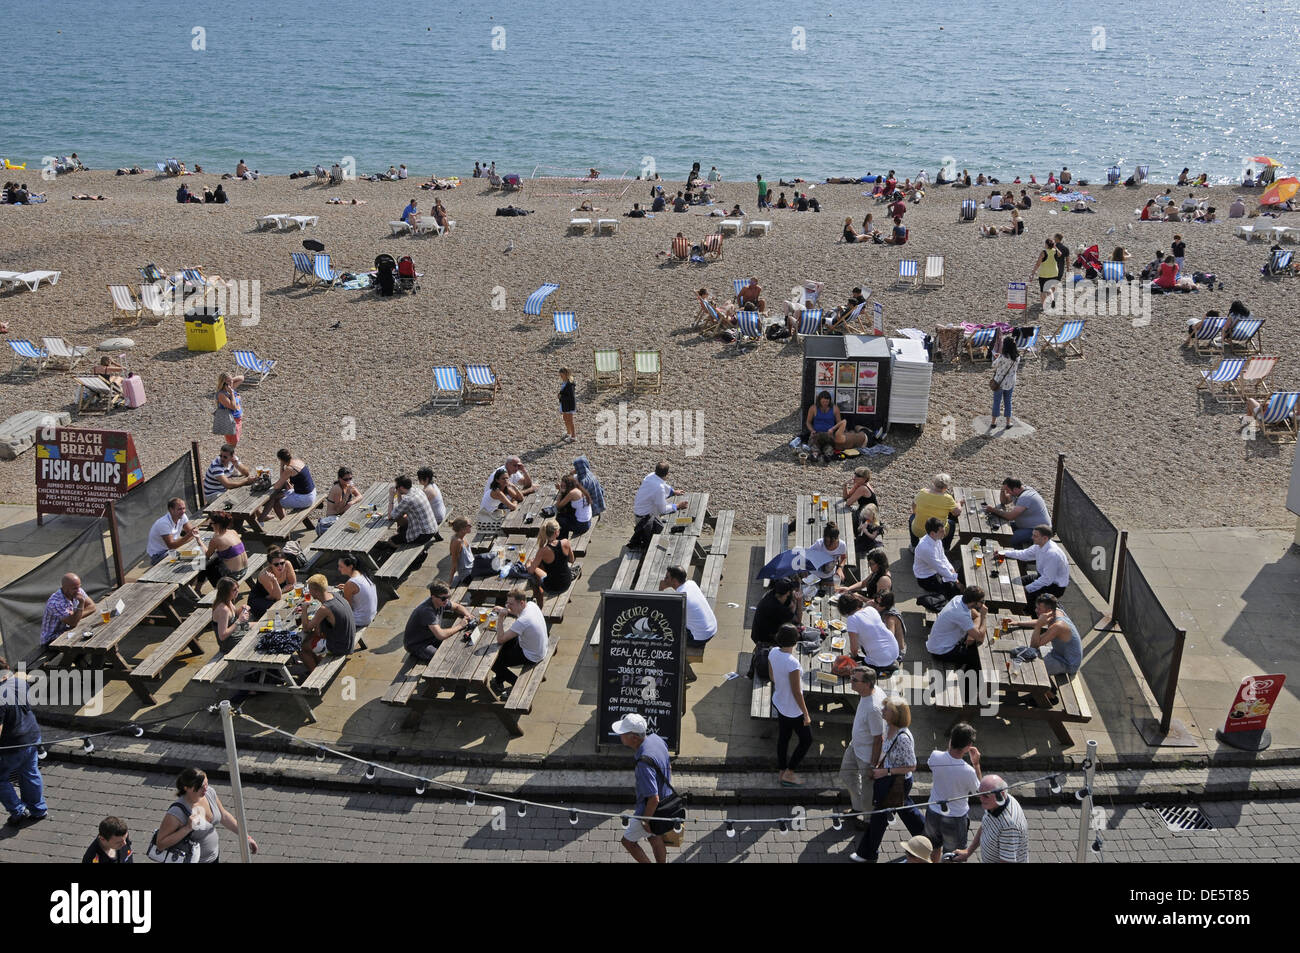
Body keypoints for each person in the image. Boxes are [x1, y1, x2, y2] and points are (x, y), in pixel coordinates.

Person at [850, 696, 927, 862]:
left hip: (895, 782)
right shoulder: (888, 726)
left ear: (897, 715)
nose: (882, 711)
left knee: (879, 816)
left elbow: (912, 765)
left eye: (887, 709)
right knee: (905, 809)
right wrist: (878, 765)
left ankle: (867, 854)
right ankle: (928, 838)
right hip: (889, 780)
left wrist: (886, 772)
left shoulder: (903, 738)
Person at [153, 768, 257, 862]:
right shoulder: (176, 812)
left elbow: (224, 816)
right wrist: (187, 828)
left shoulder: (209, 793)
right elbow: (161, 844)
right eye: (201, 787)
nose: (205, 789)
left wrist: (246, 837)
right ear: (186, 788)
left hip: (213, 857)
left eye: (206, 784)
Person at [612, 712, 672, 863]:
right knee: (654, 837)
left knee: (628, 842)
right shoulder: (657, 740)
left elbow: (653, 798)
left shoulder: (643, 763)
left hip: (649, 810)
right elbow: (668, 766)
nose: (620, 736)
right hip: (667, 802)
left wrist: (645, 820)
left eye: (623, 733)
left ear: (633, 737)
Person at [924, 722, 982, 863]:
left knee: (933, 848)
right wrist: (976, 764)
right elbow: (981, 791)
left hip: (933, 812)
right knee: (953, 856)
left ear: (951, 739)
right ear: (968, 747)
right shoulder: (968, 771)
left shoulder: (935, 756)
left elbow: (938, 761)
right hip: (955, 818)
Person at [0, 657, 47, 826]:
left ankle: (18, 811)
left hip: (12, 744)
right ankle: (38, 809)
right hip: (32, 735)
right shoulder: (19, 682)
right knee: (30, 771)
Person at [839, 665, 884, 824]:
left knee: (867, 791)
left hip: (866, 756)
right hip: (855, 746)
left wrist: (874, 764)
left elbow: (879, 738)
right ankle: (857, 808)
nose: (850, 681)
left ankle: (867, 820)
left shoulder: (873, 709)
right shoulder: (869, 691)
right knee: (846, 775)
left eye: (854, 679)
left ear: (867, 684)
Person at [769, 625, 812, 786]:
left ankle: (782, 770)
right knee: (807, 740)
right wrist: (806, 714)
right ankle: (789, 772)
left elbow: (772, 677)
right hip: (793, 709)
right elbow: (797, 692)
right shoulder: (793, 664)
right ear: (795, 641)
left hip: (779, 701)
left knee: (784, 737)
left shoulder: (773, 652)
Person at [952, 775, 1029, 862]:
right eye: (979, 793)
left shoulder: (1009, 826)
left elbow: (1007, 861)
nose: (981, 799)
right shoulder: (996, 803)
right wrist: (968, 851)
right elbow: (985, 825)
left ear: (1001, 795)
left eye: (985, 796)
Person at [489, 587, 548, 697]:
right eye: (507, 603)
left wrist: (501, 617)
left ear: (521, 602)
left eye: (511, 604)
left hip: (532, 655)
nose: (508, 606)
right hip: (539, 647)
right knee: (502, 649)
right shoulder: (531, 605)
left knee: (494, 663)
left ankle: (516, 684)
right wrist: (506, 609)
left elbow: (500, 639)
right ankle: (498, 680)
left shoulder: (523, 621)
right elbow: (517, 614)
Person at [1011, 592, 1082, 679]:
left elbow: (1034, 645)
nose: (1036, 610)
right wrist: (1017, 623)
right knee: (1019, 653)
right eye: (1036, 607)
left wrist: (1038, 626)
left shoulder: (1058, 626)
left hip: (1067, 663)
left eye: (1039, 608)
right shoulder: (1056, 611)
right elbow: (1040, 621)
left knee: (1027, 668)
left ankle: (1048, 691)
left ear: (1048, 611)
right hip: (1056, 652)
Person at [997, 524, 1070, 606]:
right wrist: (1004, 553)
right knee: (1015, 582)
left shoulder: (1052, 554)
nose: (1032, 537)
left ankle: (1030, 612)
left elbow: (1047, 580)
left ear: (1045, 538)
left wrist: (1027, 588)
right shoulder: (1039, 545)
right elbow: (1024, 554)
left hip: (1054, 587)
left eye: (1035, 536)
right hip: (1042, 577)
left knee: (1024, 597)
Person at [403, 581, 472, 662]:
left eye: (448, 597)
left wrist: (468, 615)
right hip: (418, 644)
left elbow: (457, 606)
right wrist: (460, 625)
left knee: (459, 641)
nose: (446, 601)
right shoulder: (427, 611)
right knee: (442, 658)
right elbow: (441, 635)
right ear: (433, 597)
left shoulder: (441, 601)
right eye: (443, 598)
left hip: (431, 636)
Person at [299, 574, 355, 673]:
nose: (309, 592)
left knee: (302, 647)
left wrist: (304, 609)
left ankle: (313, 675)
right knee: (311, 637)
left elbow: (306, 628)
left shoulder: (325, 608)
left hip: (341, 647)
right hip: (348, 640)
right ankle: (317, 663)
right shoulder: (335, 595)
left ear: (316, 591)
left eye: (310, 589)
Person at [926, 587, 987, 669]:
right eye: (982, 601)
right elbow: (980, 638)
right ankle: (967, 680)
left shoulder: (959, 599)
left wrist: (972, 634)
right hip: (941, 650)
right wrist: (984, 616)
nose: (983, 604)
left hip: (938, 643)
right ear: (974, 603)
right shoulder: (961, 614)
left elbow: (976, 616)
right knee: (977, 658)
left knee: (973, 645)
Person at [838, 593, 900, 671]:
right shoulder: (871, 609)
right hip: (894, 651)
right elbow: (863, 618)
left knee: (847, 668)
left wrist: (854, 657)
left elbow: (854, 648)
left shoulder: (851, 619)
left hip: (880, 659)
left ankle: (879, 667)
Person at [631, 461, 687, 548]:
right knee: (662, 540)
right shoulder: (659, 488)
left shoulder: (650, 476)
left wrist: (673, 492)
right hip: (645, 521)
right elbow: (663, 510)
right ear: (667, 474)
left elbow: (663, 485)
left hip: (638, 514)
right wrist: (677, 506)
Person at [984, 477, 1051, 546]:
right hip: (1025, 525)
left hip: (1039, 531)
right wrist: (1002, 490)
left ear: (1015, 489)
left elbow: (1010, 517)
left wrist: (993, 510)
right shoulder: (1018, 491)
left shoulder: (1026, 497)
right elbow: (1004, 501)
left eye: (1007, 490)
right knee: (997, 526)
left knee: (1007, 539)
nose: (1007, 492)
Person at [661, 565, 717, 646]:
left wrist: (661, 590)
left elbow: (664, 614)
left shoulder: (681, 598)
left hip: (701, 637)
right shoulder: (691, 583)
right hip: (711, 627)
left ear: (674, 580)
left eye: (667, 577)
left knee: (665, 634)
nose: (664, 580)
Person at [257, 449, 315, 523]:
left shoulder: (289, 469)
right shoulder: (298, 461)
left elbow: (277, 486)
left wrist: (281, 466)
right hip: (311, 492)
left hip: (306, 498)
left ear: (281, 459)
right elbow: (283, 479)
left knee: (276, 502)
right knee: (276, 496)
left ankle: (284, 524)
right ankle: (261, 519)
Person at [40, 573, 97, 647]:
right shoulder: (56, 602)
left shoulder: (78, 590)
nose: (78, 590)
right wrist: (81, 603)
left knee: (93, 635)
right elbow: (73, 623)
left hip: (68, 631)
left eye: (79, 587)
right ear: (65, 588)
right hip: (51, 639)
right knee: (84, 642)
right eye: (74, 588)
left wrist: (76, 616)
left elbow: (92, 606)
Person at [529, 518, 576, 603]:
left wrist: (529, 563)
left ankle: (538, 596)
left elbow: (531, 570)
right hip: (566, 581)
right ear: (556, 533)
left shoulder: (543, 550)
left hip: (552, 587)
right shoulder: (565, 542)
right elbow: (572, 560)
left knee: (533, 567)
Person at [913, 517, 961, 598]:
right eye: (941, 531)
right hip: (926, 578)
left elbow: (942, 557)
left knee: (955, 573)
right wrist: (956, 580)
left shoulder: (936, 538)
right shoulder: (926, 548)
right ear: (932, 533)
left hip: (935, 570)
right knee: (952, 591)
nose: (944, 533)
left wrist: (951, 569)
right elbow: (939, 567)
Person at [202, 511, 248, 589]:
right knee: (217, 558)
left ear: (217, 525)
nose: (211, 526)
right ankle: (198, 589)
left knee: (207, 565)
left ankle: (220, 590)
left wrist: (199, 541)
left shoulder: (216, 539)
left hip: (234, 575)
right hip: (244, 570)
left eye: (212, 524)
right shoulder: (233, 532)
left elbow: (207, 555)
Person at [388, 473, 437, 546]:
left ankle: (405, 554)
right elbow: (402, 507)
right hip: (432, 528)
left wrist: (391, 497)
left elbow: (391, 516)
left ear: (401, 488)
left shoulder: (408, 500)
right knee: (401, 529)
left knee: (391, 540)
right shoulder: (417, 490)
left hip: (423, 534)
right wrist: (398, 494)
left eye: (397, 487)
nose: (396, 488)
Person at [146, 496, 198, 565]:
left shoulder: (182, 516)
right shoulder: (163, 523)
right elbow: (172, 545)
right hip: (159, 555)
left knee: (198, 555)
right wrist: (188, 536)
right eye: (179, 509)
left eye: (184, 508)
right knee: (194, 558)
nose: (183, 511)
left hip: (171, 551)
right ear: (171, 510)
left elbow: (192, 534)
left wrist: (187, 537)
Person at [751, 576, 799, 650]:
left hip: (757, 633)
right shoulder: (776, 607)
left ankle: (758, 650)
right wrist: (797, 601)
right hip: (764, 639)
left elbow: (787, 604)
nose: (788, 596)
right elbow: (797, 620)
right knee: (790, 636)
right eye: (787, 595)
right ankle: (761, 651)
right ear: (784, 595)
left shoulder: (772, 594)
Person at [248, 546, 294, 619]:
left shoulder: (287, 564)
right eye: (276, 564)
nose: (280, 566)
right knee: (282, 614)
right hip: (259, 600)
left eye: (282, 563)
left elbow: (292, 584)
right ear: (270, 564)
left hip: (273, 597)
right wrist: (275, 581)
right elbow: (277, 597)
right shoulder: (265, 575)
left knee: (294, 607)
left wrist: (281, 591)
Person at [317, 466, 362, 537]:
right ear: (339, 479)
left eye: (350, 478)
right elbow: (338, 509)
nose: (348, 481)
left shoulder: (348, 484)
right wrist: (347, 494)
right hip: (334, 516)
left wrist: (352, 502)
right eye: (346, 479)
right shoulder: (337, 489)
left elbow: (359, 496)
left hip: (341, 513)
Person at [988, 335, 1020, 433]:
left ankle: (993, 422)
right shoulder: (1017, 357)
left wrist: (996, 358)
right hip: (1010, 382)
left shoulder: (1002, 357)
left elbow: (993, 365)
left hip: (999, 382)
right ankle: (1008, 423)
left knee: (996, 402)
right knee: (1008, 402)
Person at [803, 523, 848, 592]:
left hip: (829, 575)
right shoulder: (819, 544)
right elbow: (806, 555)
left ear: (837, 539)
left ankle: (822, 583)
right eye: (826, 541)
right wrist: (805, 570)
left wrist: (840, 568)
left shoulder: (842, 545)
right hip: (814, 575)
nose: (828, 545)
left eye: (831, 542)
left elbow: (844, 557)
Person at [805, 390, 846, 462]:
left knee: (829, 447)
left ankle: (828, 455)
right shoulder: (813, 408)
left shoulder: (835, 408)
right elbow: (808, 422)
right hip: (817, 434)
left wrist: (833, 430)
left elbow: (839, 423)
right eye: (823, 402)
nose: (825, 404)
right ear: (819, 401)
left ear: (830, 401)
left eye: (827, 402)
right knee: (814, 445)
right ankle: (815, 455)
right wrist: (812, 430)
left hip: (828, 434)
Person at [338, 555, 378, 629]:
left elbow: (347, 608)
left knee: (329, 614)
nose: (339, 569)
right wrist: (347, 589)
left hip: (360, 620)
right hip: (371, 614)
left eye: (341, 566)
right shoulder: (363, 574)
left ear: (350, 567)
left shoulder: (350, 583)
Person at [210, 577, 249, 652]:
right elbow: (222, 636)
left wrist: (242, 609)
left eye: (237, 588)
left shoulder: (228, 600)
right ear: (226, 592)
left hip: (236, 633)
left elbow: (233, 615)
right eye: (234, 590)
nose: (237, 591)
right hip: (229, 643)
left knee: (260, 625)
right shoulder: (223, 610)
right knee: (256, 636)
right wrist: (239, 620)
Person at [554, 472, 593, 539]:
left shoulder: (572, 493)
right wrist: (562, 489)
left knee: (559, 520)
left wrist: (560, 492)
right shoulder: (578, 488)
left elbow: (558, 506)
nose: (563, 487)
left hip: (581, 526)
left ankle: (561, 541)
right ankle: (563, 539)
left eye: (564, 486)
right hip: (587, 522)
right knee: (564, 516)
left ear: (569, 485)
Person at [213, 372, 244, 446]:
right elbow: (233, 406)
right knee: (232, 443)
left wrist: (230, 380)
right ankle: (228, 456)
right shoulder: (222, 394)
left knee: (235, 441)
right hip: (230, 421)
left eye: (231, 381)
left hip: (237, 418)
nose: (231, 383)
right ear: (223, 383)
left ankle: (229, 455)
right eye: (228, 381)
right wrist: (232, 393)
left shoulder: (230, 388)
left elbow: (241, 378)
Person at [1032, 237, 1063, 307]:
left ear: (1046, 244)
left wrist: (1033, 272)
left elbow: (1038, 264)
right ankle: (1052, 300)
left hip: (1044, 274)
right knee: (1051, 288)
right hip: (1054, 273)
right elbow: (1060, 254)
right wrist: (1055, 247)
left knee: (1043, 290)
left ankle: (1044, 305)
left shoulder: (1044, 252)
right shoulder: (1055, 251)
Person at [447, 517, 475, 585]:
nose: (471, 526)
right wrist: (449, 583)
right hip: (467, 575)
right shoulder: (457, 542)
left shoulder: (463, 537)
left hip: (473, 568)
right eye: (469, 525)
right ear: (462, 529)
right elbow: (454, 564)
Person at [558, 366, 576, 443]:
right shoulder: (565, 383)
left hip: (569, 404)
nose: (561, 377)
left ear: (566, 374)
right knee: (565, 418)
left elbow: (570, 396)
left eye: (562, 376)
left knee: (570, 420)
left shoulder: (570, 384)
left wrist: (561, 396)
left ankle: (573, 436)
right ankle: (568, 432)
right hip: (564, 404)